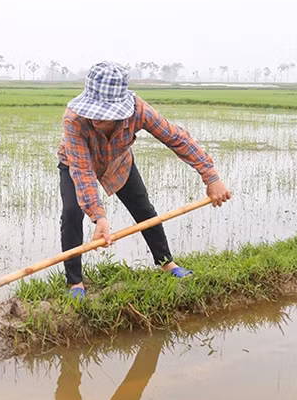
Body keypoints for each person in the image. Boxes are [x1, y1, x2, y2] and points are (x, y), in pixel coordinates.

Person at [57, 62, 231, 299]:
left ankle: (166, 263)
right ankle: (74, 282)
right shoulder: (74, 119)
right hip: (75, 163)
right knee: (71, 213)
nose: (96, 118)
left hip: (119, 161)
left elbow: (176, 138)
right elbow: (83, 171)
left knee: (143, 208)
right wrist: (99, 216)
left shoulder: (138, 110)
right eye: (93, 112)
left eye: (103, 114)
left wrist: (211, 177)